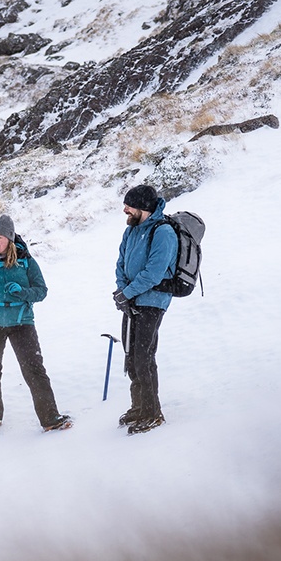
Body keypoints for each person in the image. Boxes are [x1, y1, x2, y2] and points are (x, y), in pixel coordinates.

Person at [0, 214, 71, 436]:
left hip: (21, 322)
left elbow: (41, 291)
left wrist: (22, 293)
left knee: (34, 369)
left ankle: (50, 418)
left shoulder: (26, 262)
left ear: (10, 239)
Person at [113, 184, 179, 435]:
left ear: (143, 207)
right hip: (131, 301)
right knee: (131, 356)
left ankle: (153, 413)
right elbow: (120, 263)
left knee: (143, 357)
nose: (125, 210)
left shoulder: (163, 233)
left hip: (152, 302)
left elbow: (154, 273)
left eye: (129, 205)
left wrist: (126, 293)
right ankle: (139, 406)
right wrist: (122, 291)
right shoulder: (130, 231)